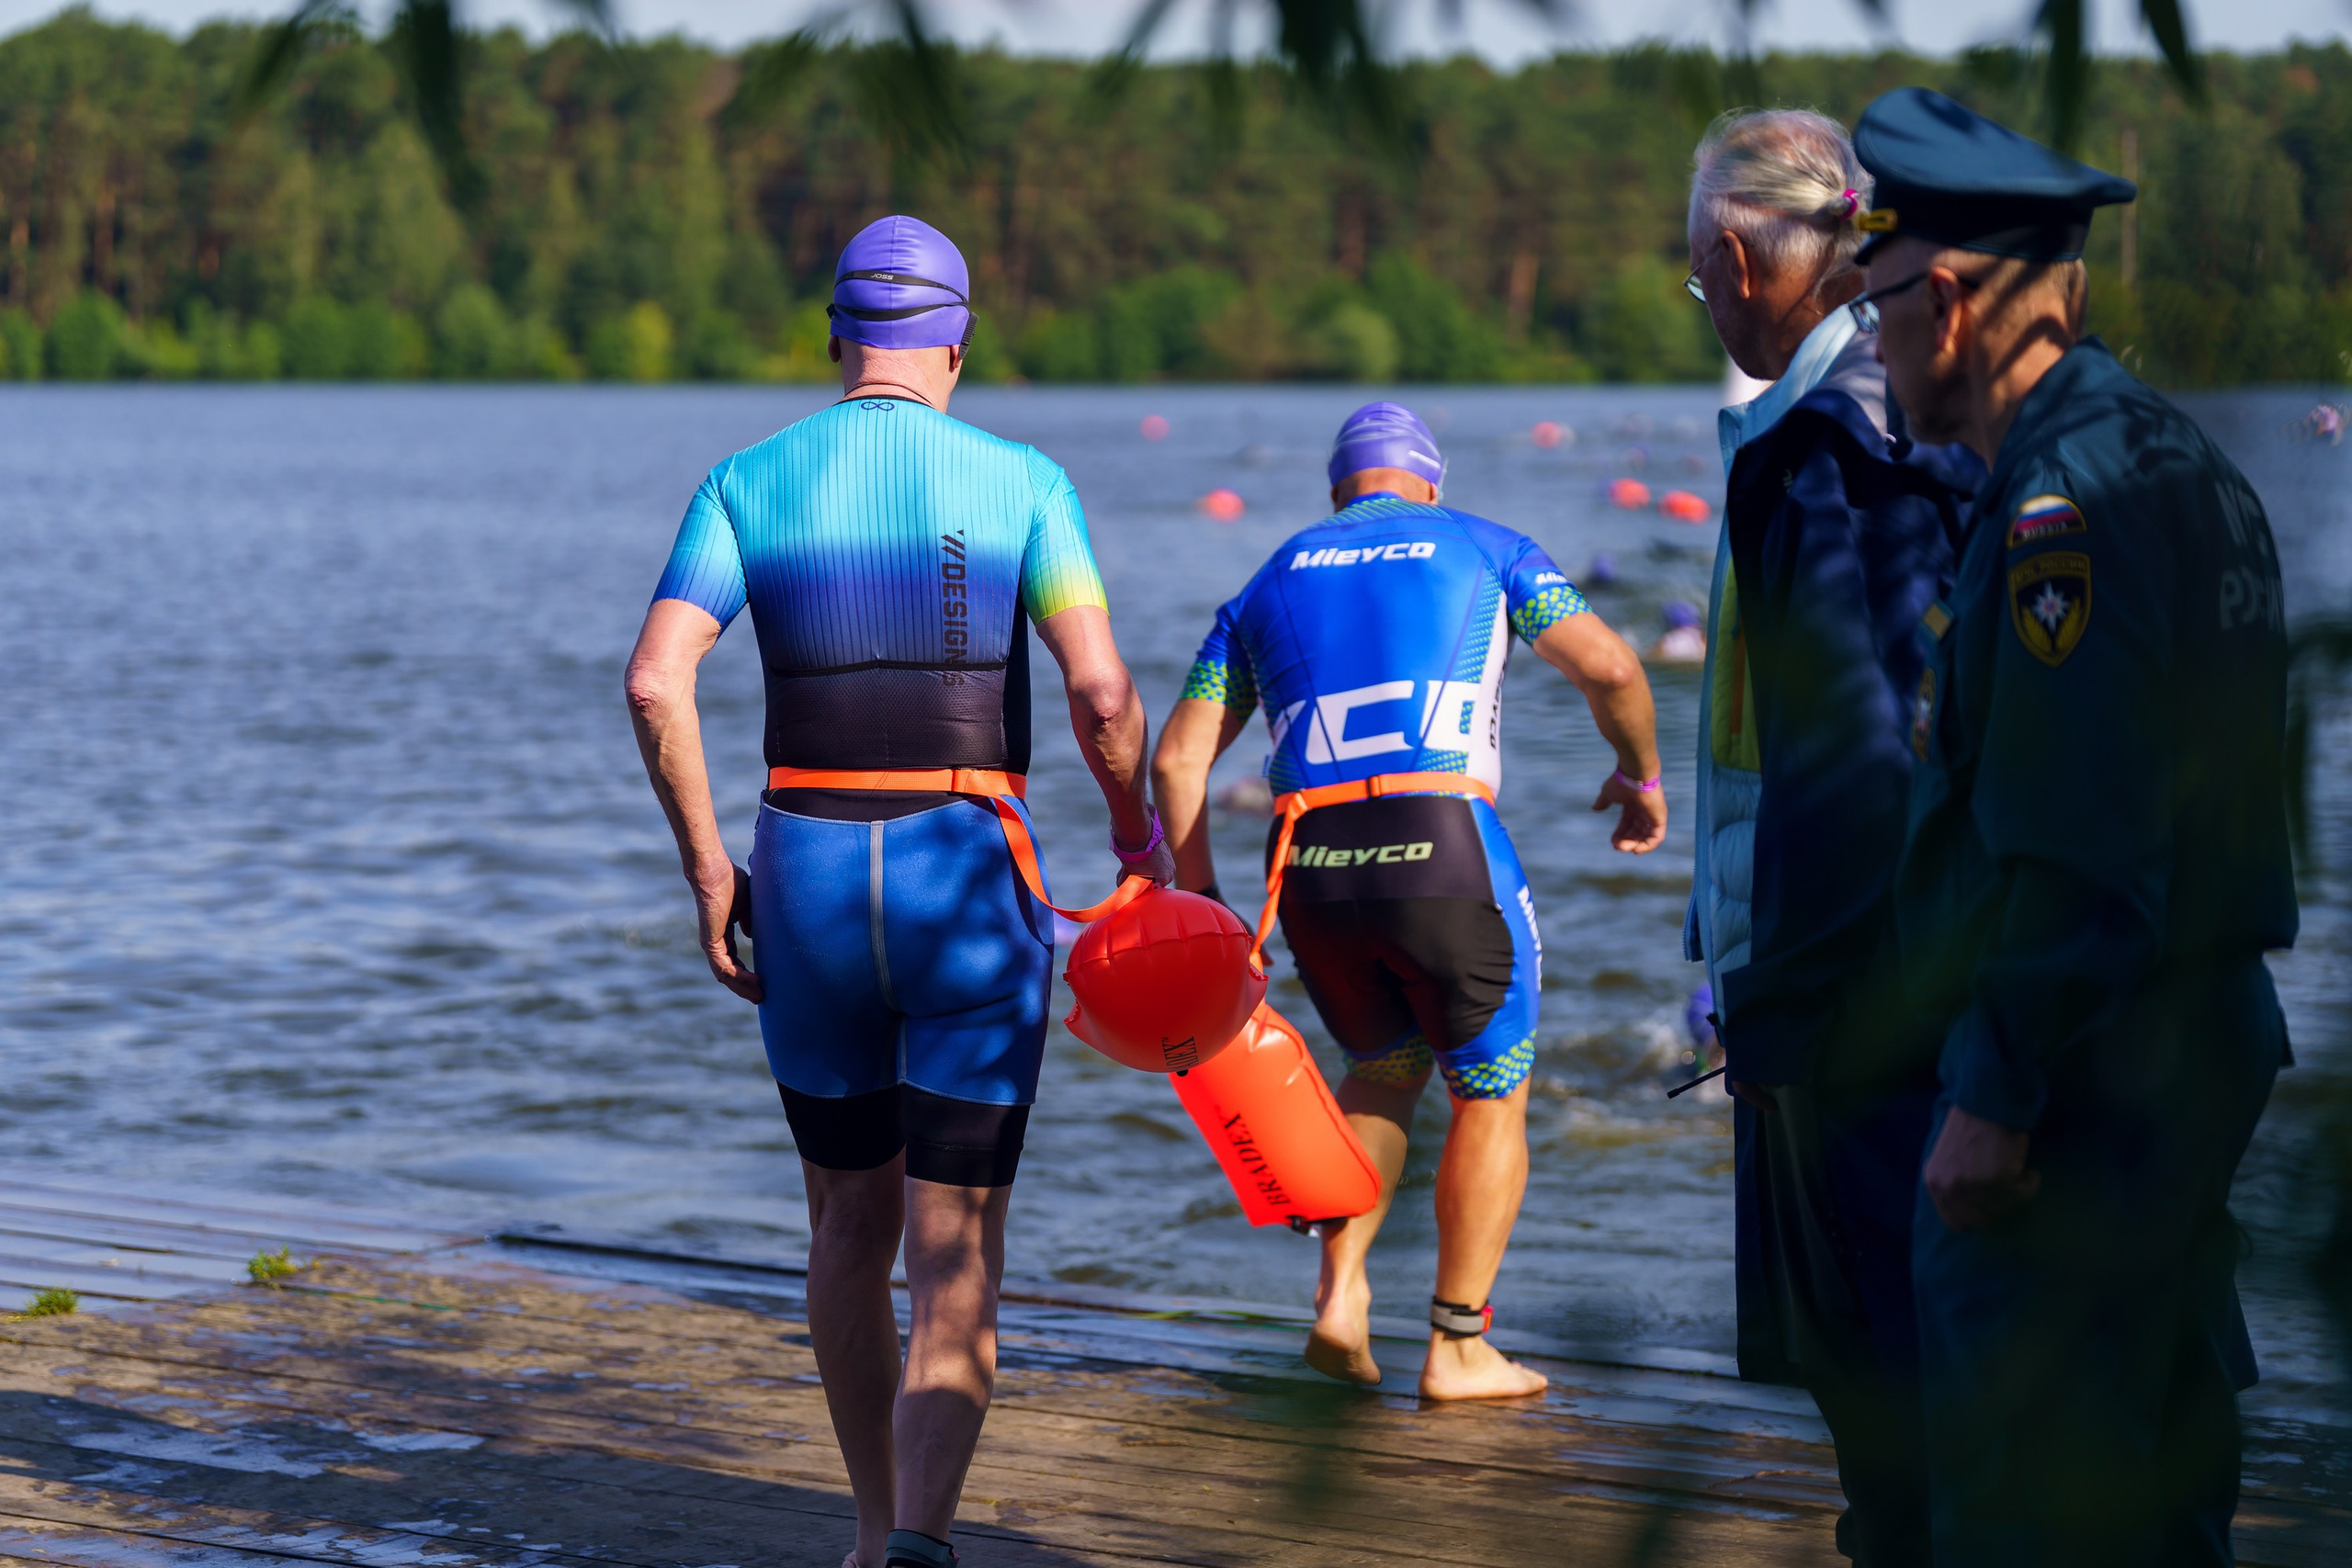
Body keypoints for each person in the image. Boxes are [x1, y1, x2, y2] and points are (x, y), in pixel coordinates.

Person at [623, 215, 1172, 1568]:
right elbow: (1102, 693)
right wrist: (1133, 829)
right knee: (951, 1232)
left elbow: (655, 676)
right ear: (957, 346)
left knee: (844, 1220)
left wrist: (708, 865)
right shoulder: (1024, 480)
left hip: (802, 867)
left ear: (835, 338)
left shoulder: (744, 479)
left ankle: (869, 1531)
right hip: (963, 863)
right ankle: (926, 1538)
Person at [1857, 88, 2296, 1566]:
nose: (1872, 335)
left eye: (1882, 299)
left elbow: (2080, 838)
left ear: (1958, 301)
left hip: (2082, 1076)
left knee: (2031, 1495)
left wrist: (1996, 1086)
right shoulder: (2169, 454)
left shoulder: (2063, 503)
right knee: (2155, 1462)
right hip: (2184, 1036)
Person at [1152, 401, 1666, 1401]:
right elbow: (1610, 665)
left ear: (1337, 490)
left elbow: (1176, 762)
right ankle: (1458, 1344)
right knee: (1490, 1088)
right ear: (1427, 483)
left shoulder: (1269, 579)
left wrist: (1209, 904)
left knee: (1382, 1070)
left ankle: (1341, 1297)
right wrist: (1638, 777)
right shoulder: (1486, 544)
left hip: (1306, 868)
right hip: (1441, 848)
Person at [1682, 107, 1976, 1566]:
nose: (1706, 299)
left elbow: (1850, 761)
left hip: (1851, 996)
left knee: (1883, 1381)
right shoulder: (1905, 402)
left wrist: (1782, 999)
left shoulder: (1823, 447)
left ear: (1739, 258)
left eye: (1697, 278)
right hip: (1911, 972)